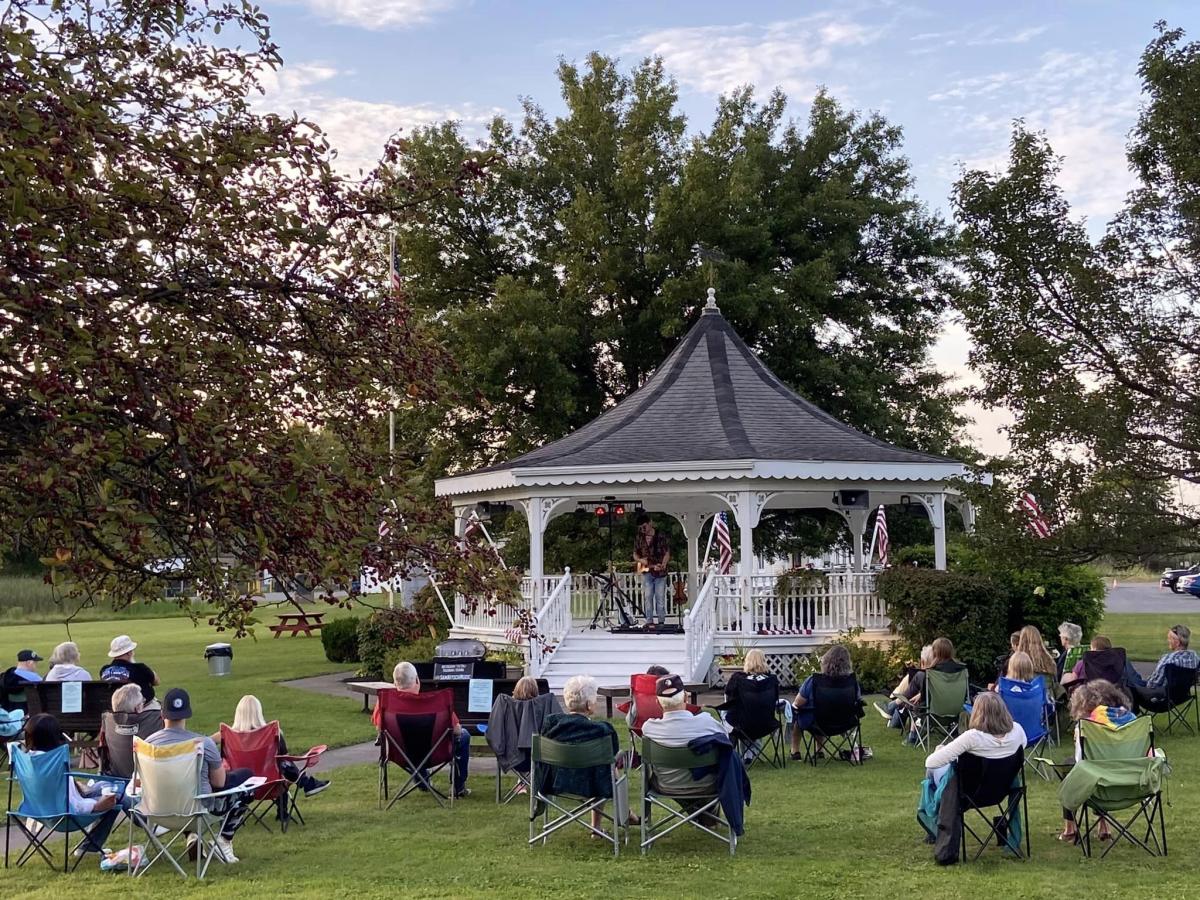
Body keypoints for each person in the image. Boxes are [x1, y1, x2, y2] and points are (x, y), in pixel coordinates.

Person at [145, 688, 250, 863]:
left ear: (162, 714)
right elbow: (219, 782)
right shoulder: (204, 744)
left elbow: (141, 782)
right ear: (188, 713)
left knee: (182, 789)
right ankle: (223, 840)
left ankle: (193, 836)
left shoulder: (148, 745)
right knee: (246, 778)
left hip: (157, 813)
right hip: (198, 811)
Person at [24, 713, 134, 855]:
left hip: (40, 812)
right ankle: (143, 821)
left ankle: (141, 819)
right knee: (115, 793)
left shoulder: (29, 761)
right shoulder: (56, 764)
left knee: (107, 785)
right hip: (65, 815)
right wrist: (96, 805)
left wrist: (75, 786)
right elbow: (73, 806)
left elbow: (52, 790)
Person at [540, 674, 636, 832]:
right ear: (590, 705)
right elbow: (612, 754)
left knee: (604, 768)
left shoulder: (550, 725)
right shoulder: (602, 730)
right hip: (593, 783)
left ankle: (603, 825)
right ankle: (617, 818)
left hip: (554, 781)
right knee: (609, 769)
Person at [372, 661, 470, 798]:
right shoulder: (436, 703)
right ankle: (457, 788)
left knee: (409, 743)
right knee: (464, 736)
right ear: (417, 680)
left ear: (395, 683)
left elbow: (380, 728)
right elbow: (457, 730)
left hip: (401, 755)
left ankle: (422, 782)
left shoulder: (386, 703)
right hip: (436, 754)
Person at [641, 674, 729, 822]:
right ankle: (706, 815)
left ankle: (703, 816)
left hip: (666, 785)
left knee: (677, 774)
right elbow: (726, 742)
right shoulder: (707, 723)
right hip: (707, 785)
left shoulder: (649, 729)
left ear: (658, 702)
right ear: (686, 698)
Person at [1057, 679, 1134, 843]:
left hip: (1100, 783)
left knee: (1069, 765)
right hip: (1131, 781)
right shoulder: (1132, 720)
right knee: (1101, 766)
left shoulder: (1088, 726)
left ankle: (1070, 828)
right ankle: (1104, 826)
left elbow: (1080, 762)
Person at [228, 694, 330, 797]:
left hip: (241, 785)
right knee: (282, 763)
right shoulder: (271, 734)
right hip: (270, 784)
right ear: (258, 713)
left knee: (281, 764)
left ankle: (306, 783)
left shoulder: (230, 737)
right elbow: (285, 758)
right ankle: (305, 783)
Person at [923, 690, 1027, 785]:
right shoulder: (1017, 730)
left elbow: (930, 762)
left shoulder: (972, 737)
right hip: (1001, 788)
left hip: (970, 792)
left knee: (932, 768)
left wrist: (940, 751)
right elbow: (1023, 745)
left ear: (977, 713)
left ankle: (929, 805)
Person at [790, 644, 860, 759]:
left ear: (826, 660)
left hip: (818, 722)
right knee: (819, 713)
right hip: (845, 723)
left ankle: (795, 751)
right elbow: (857, 700)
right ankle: (819, 751)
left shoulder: (814, 681)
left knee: (798, 714)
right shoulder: (852, 682)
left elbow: (798, 703)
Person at [901, 637, 966, 745]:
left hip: (933, 715)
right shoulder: (962, 670)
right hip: (957, 714)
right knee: (920, 692)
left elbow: (927, 698)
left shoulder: (931, 673)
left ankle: (912, 735)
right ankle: (899, 703)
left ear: (935, 653)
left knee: (914, 701)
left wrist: (919, 696)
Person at [1129, 624, 1200, 711]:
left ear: (1177, 642)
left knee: (1129, 684)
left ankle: (1132, 715)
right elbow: (1197, 680)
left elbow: (1152, 685)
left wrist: (1144, 684)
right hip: (1182, 697)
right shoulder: (1195, 658)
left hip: (1159, 700)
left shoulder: (1168, 660)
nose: (1168, 641)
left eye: (1169, 638)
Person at [99, 684, 163, 779]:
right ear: (138, 708)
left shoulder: (108, 720)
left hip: (116, 778)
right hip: (147, 780)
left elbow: (102, 752)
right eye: (143, 702)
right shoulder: (155, 718)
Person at [875, 644, 932, 729]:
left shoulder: (919, 676)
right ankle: (892, 708)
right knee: (907, 701)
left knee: (906, 701)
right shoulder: (943, 676)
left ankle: (891, 708)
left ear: (923, 662)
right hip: (938, 709)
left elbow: (897, 694)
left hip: (916, 706)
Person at [100, 635, 160, 709]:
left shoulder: (104, 670)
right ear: (129, 653)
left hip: (114, 710)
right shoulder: (139, 668)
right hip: (141, 711)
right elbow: (156, 681)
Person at [633, 513, 671, 628]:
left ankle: (661, 622)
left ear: (650, 523)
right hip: (646, 571)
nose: (643, 529)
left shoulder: (661, 536)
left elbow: (667, 553)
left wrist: (663, 564)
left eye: (644, 526)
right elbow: (635, 553)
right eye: (640, 528)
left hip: (660, 572)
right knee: (648, 596)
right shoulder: (639, 537)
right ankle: (649, 621)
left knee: (660, 597)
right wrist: (640, 560)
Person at [1063, 635, 1145, 687]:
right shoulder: (1119, 661)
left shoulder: (1084, 662)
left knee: (1067, 676)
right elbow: (1132, 678)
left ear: (1094, 649)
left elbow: (1073, 680)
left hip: (1090, 695)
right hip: (1115, 694)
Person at [625, 664, 670, 728]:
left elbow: (629, 721)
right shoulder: (670, 697)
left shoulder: (641, 697)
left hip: (642, 728)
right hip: (666, 727)